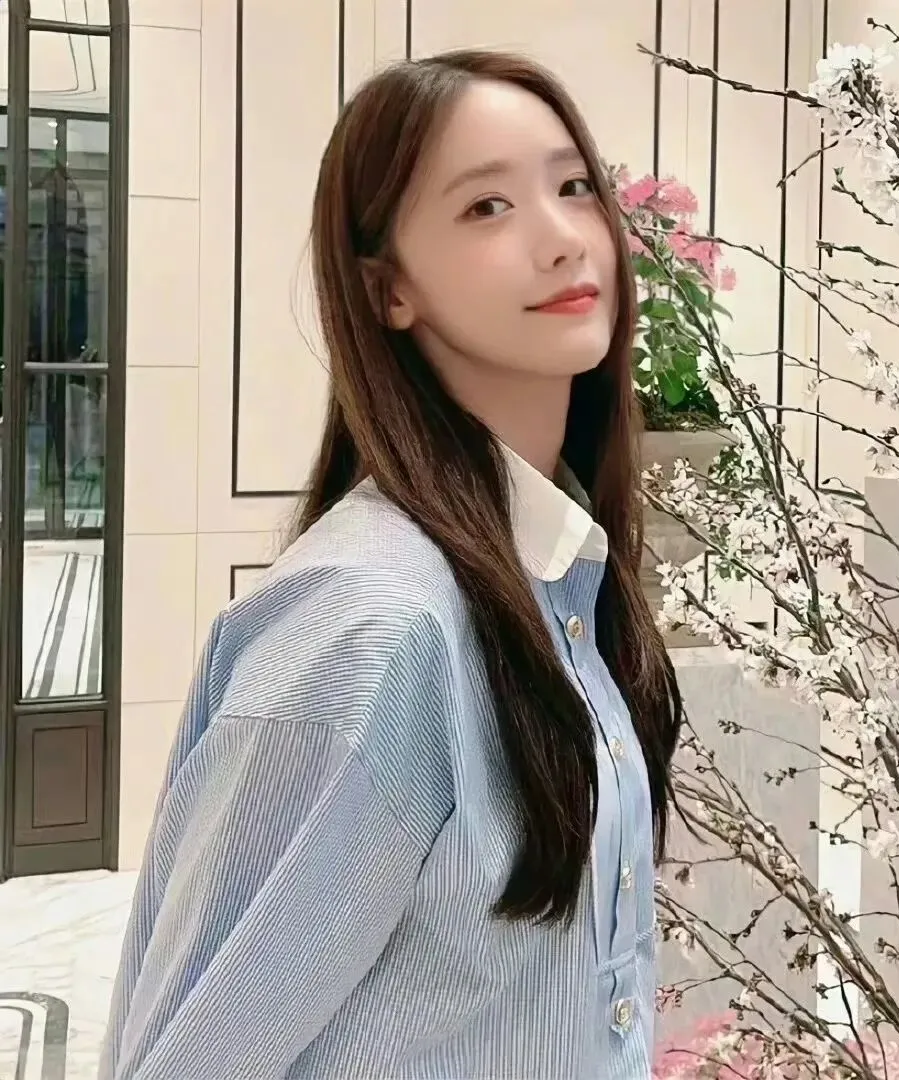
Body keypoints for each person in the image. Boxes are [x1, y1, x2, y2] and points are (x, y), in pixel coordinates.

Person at [99, 48, 682, 1080]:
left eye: (573, 187)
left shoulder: (559, 578)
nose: (561, 239)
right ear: (390, 290)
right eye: (487, 207)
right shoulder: (371, 626)